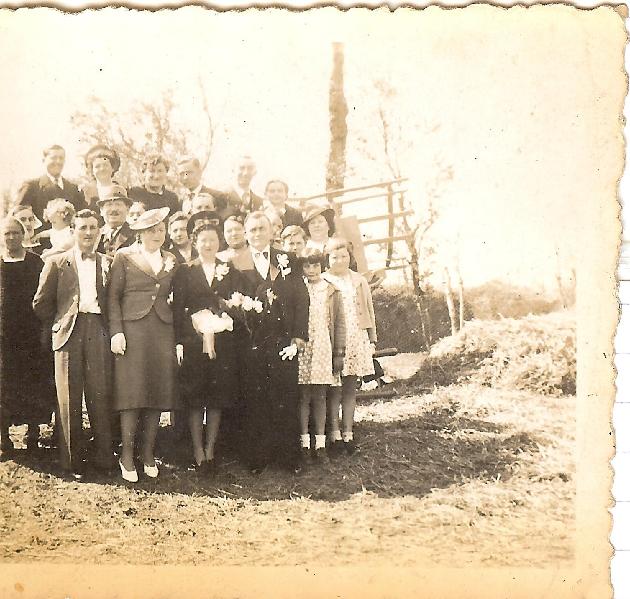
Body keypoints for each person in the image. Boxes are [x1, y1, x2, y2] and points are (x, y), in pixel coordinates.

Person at [32, 209, 115, 480]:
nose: (88, 232)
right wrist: (58, 321)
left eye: (93, 227)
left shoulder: (108, 262)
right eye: (82, 228)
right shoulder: (57, 263)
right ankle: (72, 461)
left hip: (98, 329)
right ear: (74, 231)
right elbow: (40, 302)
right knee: (68, 397)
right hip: (68, 331)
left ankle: (104, 457)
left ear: (99, 231)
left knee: (99, 394)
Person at [108, 207, 180, 482]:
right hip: (132, 329)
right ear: (139, 233)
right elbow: (113, 297)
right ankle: (126, 455)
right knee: (131, 393)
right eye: (151, 230)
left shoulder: (171, 259)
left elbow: (174, 293)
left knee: (157, 392)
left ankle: (147, 453)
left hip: (162, 330)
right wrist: (117, 332)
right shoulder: (124, 256)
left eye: (160, 230)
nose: (156, 235)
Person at [237, 211, 309, 472]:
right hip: (251, 341)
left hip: (282, 339)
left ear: (271, 232)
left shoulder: (287, 259)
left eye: (261, 229)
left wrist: (299, 335)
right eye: (252, 230)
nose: (257, 234)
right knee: (256, 398)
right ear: (246, 234)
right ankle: (258, 457)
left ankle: (289, 457)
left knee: (285, 395)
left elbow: (302, 299)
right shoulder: (236, 262)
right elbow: (230, 301)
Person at [173, 221, 244, 473]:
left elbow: (236, 302)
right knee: (195, 396)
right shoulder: (185, 270)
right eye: (203, 240)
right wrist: (185, 336)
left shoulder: (229, 269)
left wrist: (225, 316)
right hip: (194, 343)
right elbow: (178, 308)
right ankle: (197, 450)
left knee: (216, 397)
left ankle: (211, 449)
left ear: (219, 242)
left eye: (213, 239)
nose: (208, 244)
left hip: (222, 343)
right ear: (195, 243)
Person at [0, 218, 55, 458]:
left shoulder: (35, 262)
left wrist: (44, 329)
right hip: (4, 335)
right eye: (6, 234)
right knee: (5, 385)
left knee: (34, 382)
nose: (11, 238)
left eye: (15, 233)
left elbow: (44, 297)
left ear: (23, 234)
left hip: (31, 334)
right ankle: (4, 437)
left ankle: (33, 434)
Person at [322, 238, 376, 455]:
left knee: (350, 388)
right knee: (334, 388)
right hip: (335, 340)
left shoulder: (358, 280)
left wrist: (372, 337)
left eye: (344, 256)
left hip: (356, 337)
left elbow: (369, 309)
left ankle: (348, 433)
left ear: (350, 257)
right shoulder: (324, 280)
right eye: (334, 257)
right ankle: (334, 434)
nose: (340, 260)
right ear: (327, 259)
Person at [297, 248, 345, 466]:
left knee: (320, 395)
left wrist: (338, 353)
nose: (312, 270)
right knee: (303, 395)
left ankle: (321, 443)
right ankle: (304, 443)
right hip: (303, 346)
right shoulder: (298, 289)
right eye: (307, 266)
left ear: (322, 265)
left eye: (315, 265)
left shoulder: (331, 290)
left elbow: (339, 324)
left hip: (324, 346)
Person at [16, 144, 85, 223]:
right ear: (44, 160)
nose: (58, 161)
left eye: (61, 158)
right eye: (54, 158)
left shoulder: (73, 188)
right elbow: (16, 216)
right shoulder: (32, 186)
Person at [96, 186, 134, 257]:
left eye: (118, 204)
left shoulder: (135, 235)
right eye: (109, 205)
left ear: (127, 209)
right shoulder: (95, 235)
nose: (113, 209)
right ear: (101, 210)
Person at [81, 145, 121, 212]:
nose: (102, 169)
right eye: (97, 166)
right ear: (92, 170)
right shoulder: (84, 192)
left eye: (105, 165)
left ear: (113, 168)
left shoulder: (121, 191)